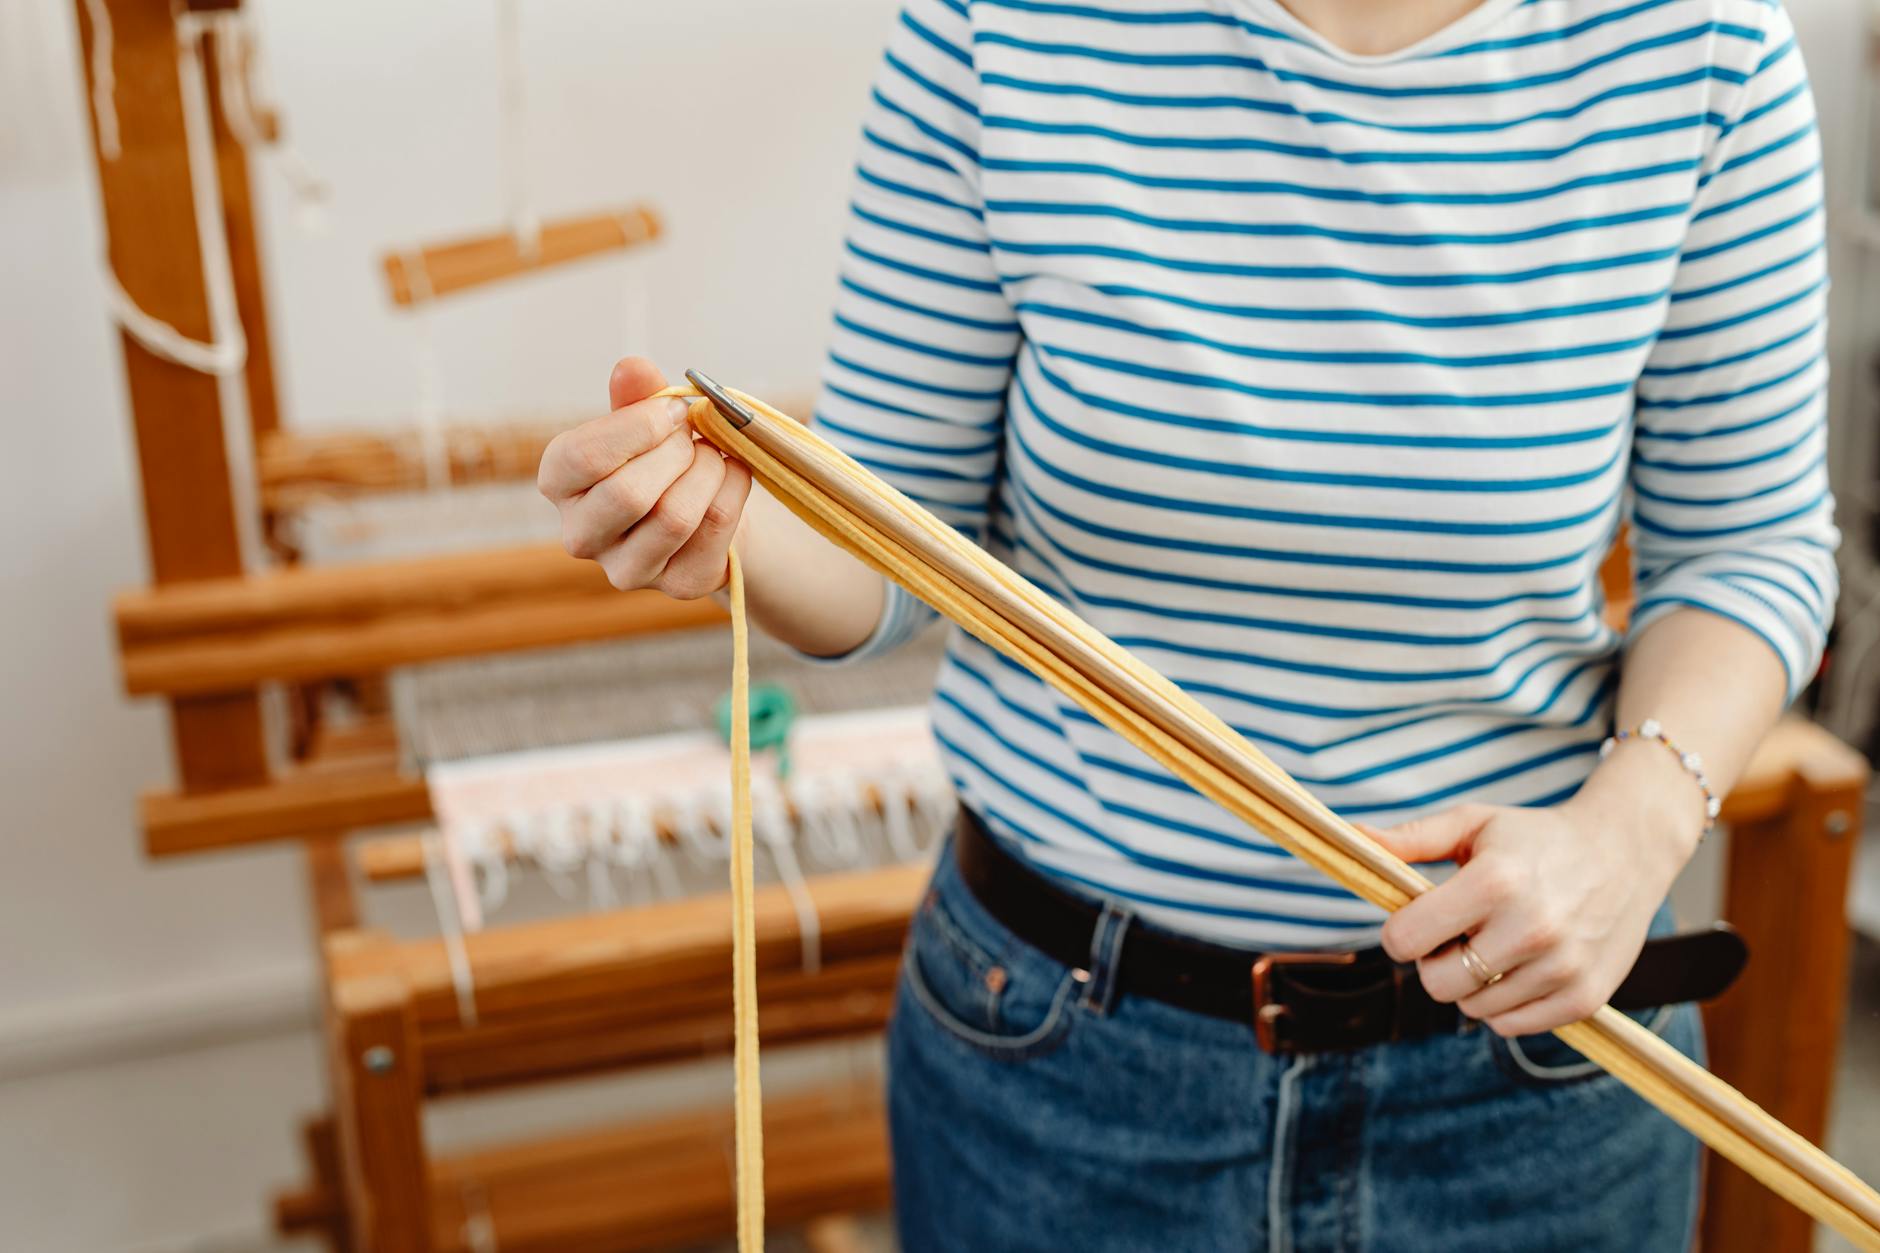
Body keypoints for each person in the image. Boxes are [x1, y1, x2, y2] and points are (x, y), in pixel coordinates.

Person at [539, 0, 1836, 1247]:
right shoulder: (999, 28)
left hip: (1527, 1064)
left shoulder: (1702, 45)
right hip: (1061, 1058)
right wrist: (728, 522)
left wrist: (1627, 836)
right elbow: (888, 545)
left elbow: (1749, 545)